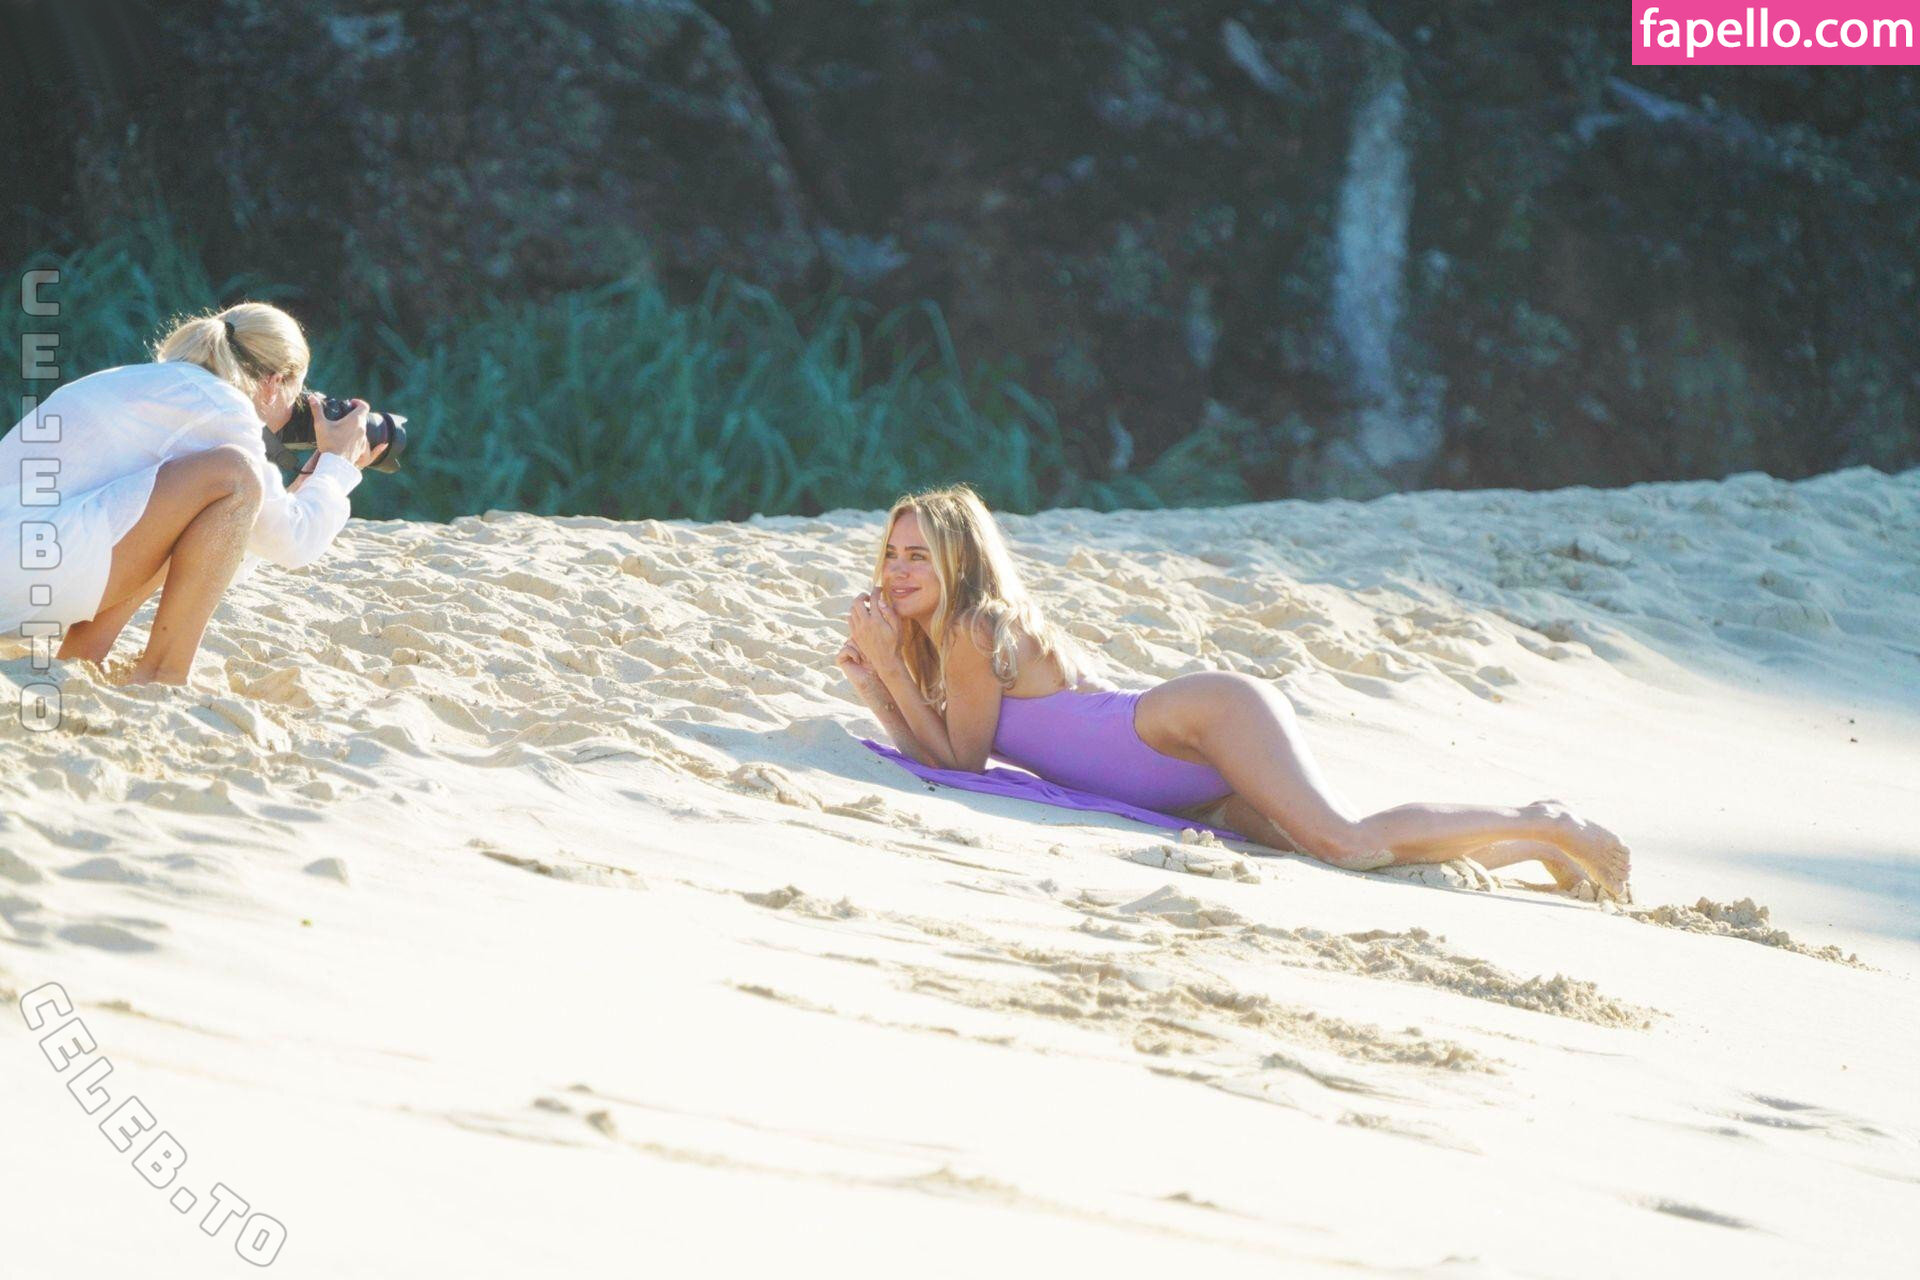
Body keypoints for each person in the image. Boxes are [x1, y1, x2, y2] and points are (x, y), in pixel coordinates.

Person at [835, 484, 1631, 900]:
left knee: (1344, 839)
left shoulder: (976, 626)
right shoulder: (952, 640)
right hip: (1185, 787)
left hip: (1199, 723)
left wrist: (891, 671)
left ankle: (1546, 817)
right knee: (1343, 853)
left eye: (918, 556)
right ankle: (1533, 849)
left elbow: (961, 767)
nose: (898, 572)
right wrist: (879, 684)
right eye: (892, 555)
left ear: (959, 561)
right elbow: (941, 756)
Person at [0, 302, 383, 685]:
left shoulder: (144, 383)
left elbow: (218, 540)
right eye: (295, 396)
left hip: (19, 570)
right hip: (25, 578)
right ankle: (162, 675)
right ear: (273, 383)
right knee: (236, 472)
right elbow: (294, 544)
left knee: (188, 499)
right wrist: (339, 463)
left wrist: (310, 482)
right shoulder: (223, 406)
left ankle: (81, 659)